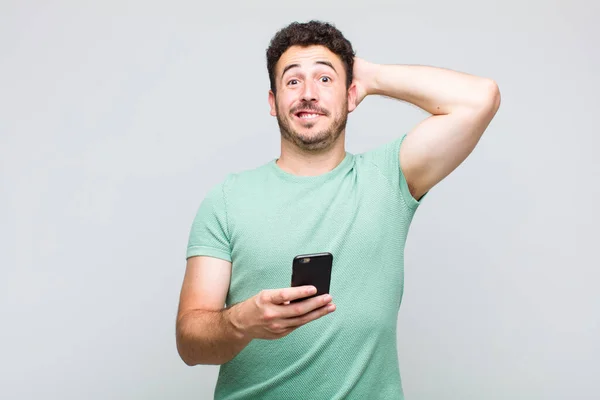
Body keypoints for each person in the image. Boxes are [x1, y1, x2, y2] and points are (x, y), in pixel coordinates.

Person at [176, 20, 500, 400]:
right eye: (293, 81)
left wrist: (371, 76)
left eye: (325, 80)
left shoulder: (389, 177)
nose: (308, 94)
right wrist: (241, 322)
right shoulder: (227, 199)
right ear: (272, 101)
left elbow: (481, 98)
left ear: (351, 95)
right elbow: (190, 343)